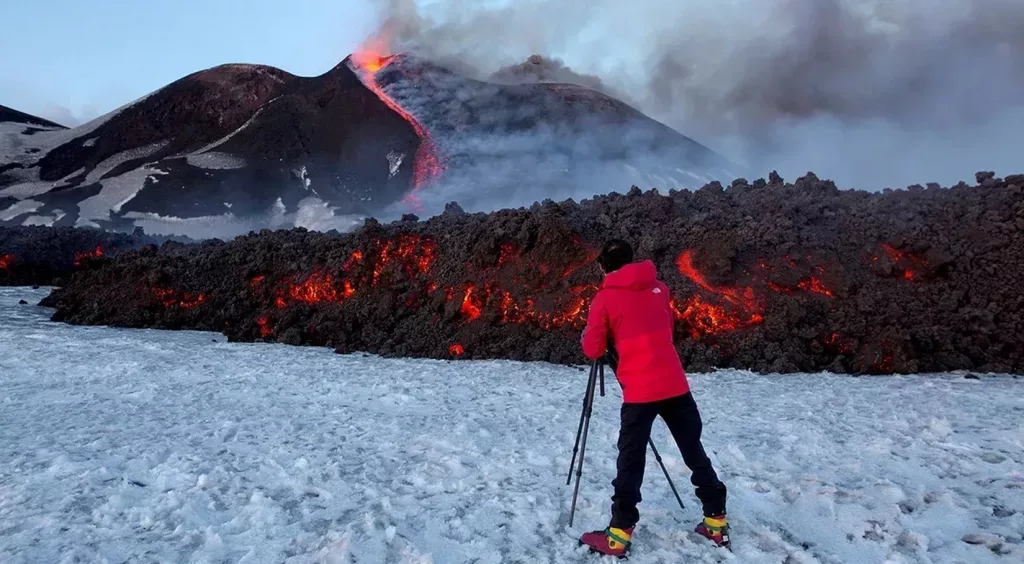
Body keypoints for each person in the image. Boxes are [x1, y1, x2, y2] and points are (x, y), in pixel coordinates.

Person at [577, 239, 729, 558]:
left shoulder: (604, 299)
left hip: (641, 390)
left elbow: (592, 348)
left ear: (604, 265)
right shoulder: (659, 287)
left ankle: (618, 535)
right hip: (674, 382)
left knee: (631, 459)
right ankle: (716, 522)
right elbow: (667, 328)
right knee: (693, 450)